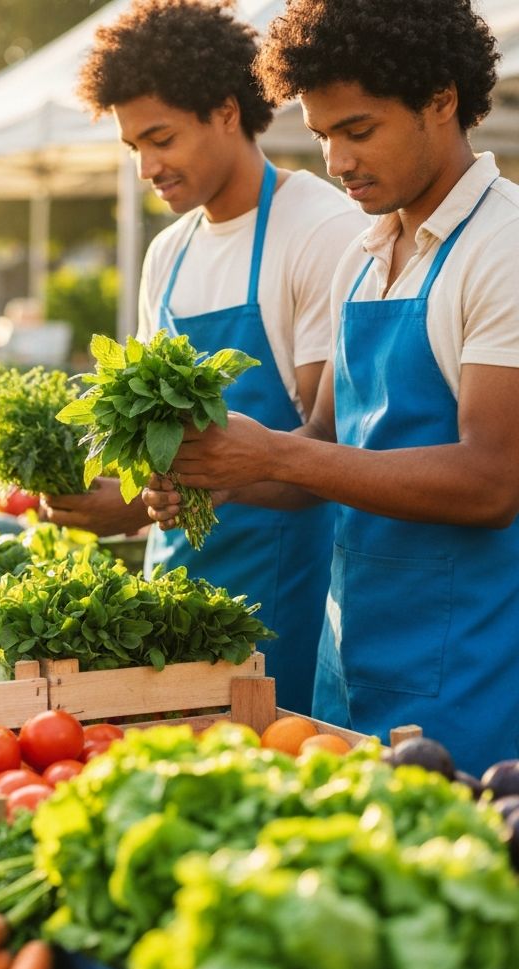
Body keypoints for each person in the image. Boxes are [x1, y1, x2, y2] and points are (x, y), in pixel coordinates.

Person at [144, 0, 517, 774]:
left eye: (359, 130)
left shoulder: (501, 246)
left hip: (470, 666)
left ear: (442, 100)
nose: (337, 162)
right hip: (348, 657)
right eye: (322, 137)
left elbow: (491, 481)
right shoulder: (365, 249)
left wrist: (275, 458)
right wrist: (219, 470)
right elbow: (329, 448)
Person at [41, 0, 367, 712]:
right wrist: (124, 500)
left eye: (160, 139)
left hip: (287, 593)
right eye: (133, 148)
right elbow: (155, 441)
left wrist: (204, 483)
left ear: (225, 110)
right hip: (178, 589)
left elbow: (331, 449)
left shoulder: (321, 230)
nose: (147, 167)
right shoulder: (170, 251)